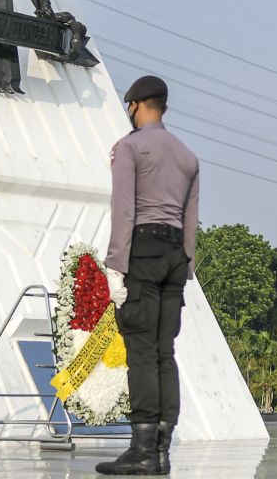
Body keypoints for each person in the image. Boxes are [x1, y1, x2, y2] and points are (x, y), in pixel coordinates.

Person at [96, 76, 200, 476]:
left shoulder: (130, 147)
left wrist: (115, 266)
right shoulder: (188, 156)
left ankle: (141, 450)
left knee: (140, 351)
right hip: (175, 256)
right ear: (165, 107)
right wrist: (185, 266)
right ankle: (160, 451)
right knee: (164, 352)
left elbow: (123, 209)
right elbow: (191, 221)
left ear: (135, 106)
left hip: (142, 250)